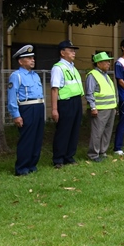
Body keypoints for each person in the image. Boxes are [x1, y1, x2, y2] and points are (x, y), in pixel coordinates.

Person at [7, 45, 44, 175]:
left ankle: (32, 165)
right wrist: (16, 115)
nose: (32, 60)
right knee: (27, 138)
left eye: (33, 57)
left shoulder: (35, 75)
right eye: (28, 58)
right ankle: (22, 168)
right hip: (27, 108)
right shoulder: (16, 76)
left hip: (39, 107)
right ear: (20, 61)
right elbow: (12, 97)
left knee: (37, 138)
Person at [51, 40, 84, 168]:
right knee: (63, 130)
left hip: (76, 101)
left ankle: (69, 156)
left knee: (74, 130)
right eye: (70, 50)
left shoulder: (72, 67)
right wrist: (54, 109)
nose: (73, 53)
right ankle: (58, 159)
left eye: (74, 50)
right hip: (65, 102)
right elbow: (54, 89)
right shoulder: (58, 68)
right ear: (62, 52)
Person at [85, 51, 117, 162]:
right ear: (98, 64)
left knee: (107, 131)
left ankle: (102, 151)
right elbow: (90, 92)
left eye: (109, 61)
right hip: (100, 109)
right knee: (97, 132)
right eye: (106, 62)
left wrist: (114, 107)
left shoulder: (105, 75)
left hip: (110, 108)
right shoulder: (93, 75)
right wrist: (93, 107)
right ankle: (93, 154)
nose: (109, 63)